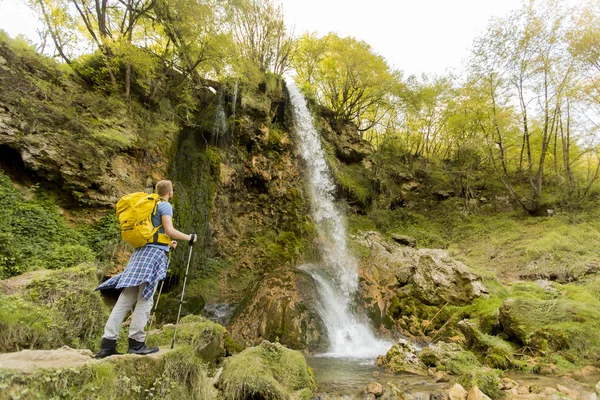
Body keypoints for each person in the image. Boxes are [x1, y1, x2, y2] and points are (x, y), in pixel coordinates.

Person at [94, 180, 197, 358]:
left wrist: (167, 243)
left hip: (139, 254)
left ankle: (107, 344)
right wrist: (189, 237)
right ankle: (136, 343)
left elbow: (154, 233)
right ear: (170, 192)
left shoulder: (148, 205)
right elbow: (170, 230)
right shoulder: (164, 206)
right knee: (145, 299)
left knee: (126, 299)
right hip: (152, 257)